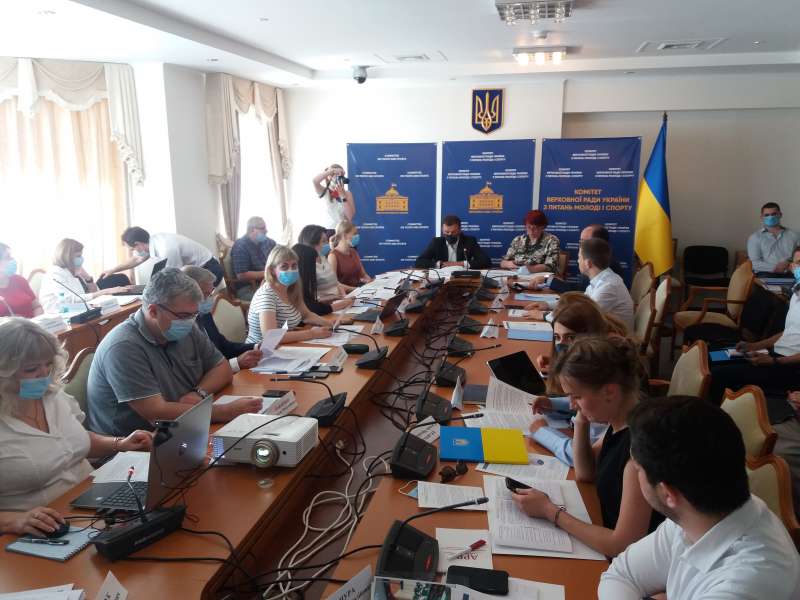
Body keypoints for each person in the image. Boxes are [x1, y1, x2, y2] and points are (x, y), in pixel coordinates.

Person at [599, 396, 800, 599]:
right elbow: (621, 574)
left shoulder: (746, 583)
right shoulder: (697, 513)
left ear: (668, 494)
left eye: (638, 469)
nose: (635, 475)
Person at [513, 336, 663, 558]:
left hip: (626, 561)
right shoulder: (621, 421)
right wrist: (581, 417)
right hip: (600, 524)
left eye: (577, 397)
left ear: (609, 392)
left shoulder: (639, 452)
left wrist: (550, 511)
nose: (571, 404)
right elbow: (585, 472)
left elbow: (622, 545)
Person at [0, 318, 152, 535]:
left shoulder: (53, 396)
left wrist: (120, 443)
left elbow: (76, 439)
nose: (44, 374)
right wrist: (12, 521)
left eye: (48, 364)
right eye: (32, 368)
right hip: (44, 527)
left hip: (92, 503)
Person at [87, 268, 262, 437]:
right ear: (153, 311)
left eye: (194, 315)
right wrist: (224, 411)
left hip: (183, 425)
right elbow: (155, 412)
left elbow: (222, 368)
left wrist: (198, 393)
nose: (190, 321)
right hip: (136, 443)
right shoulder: (123, 346)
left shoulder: (184, 325)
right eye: (184, 316)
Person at [708, 245, 800, 405]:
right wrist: (754, 346)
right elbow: (787, 333)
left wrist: (774, 361)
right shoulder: (796, 294)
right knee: (713, 356)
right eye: (798, 263)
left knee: (720, 374)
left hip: (790, 366)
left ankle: (716, 415)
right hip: (774, 354)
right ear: (792, 266)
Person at [246, 246, 334, 345]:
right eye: (284, 266)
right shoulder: (267, 295)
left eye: (294, 266)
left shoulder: (292, 289)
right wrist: (312, 334)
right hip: (259, 351)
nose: (291, 270)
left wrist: (329, 323)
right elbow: (270, 337)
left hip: (284, 346)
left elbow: (306, 315)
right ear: (272, 270)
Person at [182, 266, 263, 374]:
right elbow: (200, 370)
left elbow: (223, 345)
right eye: (206, 294)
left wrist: (256, 346)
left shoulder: (204, 315)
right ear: (188, 294)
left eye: (211, 293)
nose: (210, 299)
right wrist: (236, 363)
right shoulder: (182, 329)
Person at [102, 227, 224, 287]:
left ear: (138, 244)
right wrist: (113, 270)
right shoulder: (152, 242)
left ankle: (210, 331)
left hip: (210, 269)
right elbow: (137, 259)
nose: (134, 252)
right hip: (198, 271)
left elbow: (176, 277)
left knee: (198, 308)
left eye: (133, 249)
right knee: (196, 309)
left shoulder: (166, 248)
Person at [523, 225, 624, 293]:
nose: (580, 246)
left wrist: (548, 281)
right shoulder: (600, 262)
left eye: (583, 242)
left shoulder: (607, 268)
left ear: (598, 243)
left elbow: (581, 296)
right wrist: (549, 280)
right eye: (580, 241)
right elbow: (582, 290)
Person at [39, 239, 130, 313]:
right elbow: (69, 300)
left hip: (79, 309)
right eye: (78, 256)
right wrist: (106, 291)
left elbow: (94, 292)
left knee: (113, 310)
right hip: (61, 314)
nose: (81, 259)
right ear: (67, 256)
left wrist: (88, 278)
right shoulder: (55, 273)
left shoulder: (74, 270)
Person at [579, 238, 634, 332]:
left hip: (617, 339)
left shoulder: (608, 286)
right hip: (605, 333)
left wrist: (551, 314)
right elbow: (581, 303)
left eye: (579, 257)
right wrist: (553, 306)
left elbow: (582, 317)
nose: (577, 261)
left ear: (588, 263)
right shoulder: (601, 279)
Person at [292, 244, 354, 317]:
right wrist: (343, 304)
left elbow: (310, 303)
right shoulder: (295, 284)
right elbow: (312, 309)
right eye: (313, 264)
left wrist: (328, 299)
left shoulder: (302, 282)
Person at [415, 214, 491, 269]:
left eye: (453, 232)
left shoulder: (469, 241)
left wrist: (460, 264)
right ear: (442, 230)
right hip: (441, 278)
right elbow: (419, 262)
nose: (450, 234)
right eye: (446, 232)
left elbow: (486, 261)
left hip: (462, 278)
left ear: (460, 230)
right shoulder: (436, 242)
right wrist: (440, 264)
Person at [230, 216, 276, 301]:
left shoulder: (268, 242)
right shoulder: (240, 246)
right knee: (276, 298)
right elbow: (242, 275)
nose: (266, 230)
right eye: (262, 228)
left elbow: (279, 256)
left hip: (268, 282)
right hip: (249, 288)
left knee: (292, 290)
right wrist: (268, 272)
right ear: (252, 230)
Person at [297, 224, 349, 300]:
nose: (327, 243)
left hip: (340, 300)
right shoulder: (306, 265)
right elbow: (312, 299)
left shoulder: (322, 257)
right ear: (312, 243)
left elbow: (336, 283)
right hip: (328, 304)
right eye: (323, 241)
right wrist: (337, 299)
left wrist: (344, 296)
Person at [747, 202, 800, 276]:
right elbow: (754, 263)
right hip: (765, 275)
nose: (770, 217)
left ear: (780, 215)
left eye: (774, 214)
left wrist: (790, 264)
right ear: (761, 217)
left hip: (791, 274)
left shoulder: (794, 235)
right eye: (766, 215)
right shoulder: (755, 238)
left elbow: (798, 258)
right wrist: (777, 268)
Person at [0, 243, 42, 318]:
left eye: (11, 256)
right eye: (8, 257)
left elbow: (37, 307)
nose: (12, 260)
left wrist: (35, 321)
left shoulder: (19, 280)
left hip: (33, 324)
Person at [328, 221, 372, 289]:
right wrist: (355, 290)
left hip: (359, 290)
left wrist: (370, 282)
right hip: (346, 293)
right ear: (345, 235)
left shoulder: (353, 252)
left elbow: (363, 275)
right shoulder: (333, 256)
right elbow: (334, 284)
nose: (357, 236)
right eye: (354, 234)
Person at [312, 164, 355, 232]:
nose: (339, 177)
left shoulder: (347, 194)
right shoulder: (325, 191)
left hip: (342, 231)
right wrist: (332, 171)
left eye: (341, 175)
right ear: (329, 177)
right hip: (328, 230)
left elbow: (350, 216)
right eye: (336, 175)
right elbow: (315, 181)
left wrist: (343, 196)